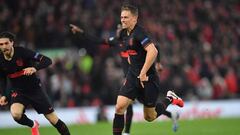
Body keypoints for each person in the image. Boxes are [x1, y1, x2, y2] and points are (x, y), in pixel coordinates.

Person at [70, 22, 180, 134]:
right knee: (128, 105)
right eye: (117, 28)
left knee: (148, 111)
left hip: (141, 77)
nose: (117, 30)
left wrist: (158, 62)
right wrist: (82, 33)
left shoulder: (134, 40)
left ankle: (170, 109)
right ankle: (128, 132)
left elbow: (155, 47)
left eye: (119, 28)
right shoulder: (117, 41)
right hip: (130, 78)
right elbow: (98, 40)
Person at [110, 4, 184, 135]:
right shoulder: (125, 34)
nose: (122, 20)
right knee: (119, 106)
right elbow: (132, 55)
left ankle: (170, 98)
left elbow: (153, 51)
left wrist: (143, 72)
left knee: (149, 117)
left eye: (126, 17)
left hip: (148, 78)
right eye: (121, 17)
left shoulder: (139, 32)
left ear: (135, 18)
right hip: (133, 77)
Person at [0, 32, 71, 135]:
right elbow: (2, 78)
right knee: (15, 114)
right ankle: (33, 125)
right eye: (1, 45)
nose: (4, 47)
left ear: (12, 43)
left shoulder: (23, 52)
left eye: (6, 43)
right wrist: (3, 95)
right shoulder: (0, 59)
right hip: (18, 92)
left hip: (35, 90)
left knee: (54, 120)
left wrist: (34, 68)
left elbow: (47, 60)